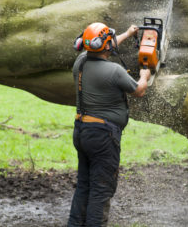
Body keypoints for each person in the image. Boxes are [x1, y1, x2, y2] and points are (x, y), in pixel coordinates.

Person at [68, 22, 151, 227]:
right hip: (103, 137)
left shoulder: (80, 62)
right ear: (106, 46)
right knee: (101, 189)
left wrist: (127, 34)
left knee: (84, 187)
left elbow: (103, 46)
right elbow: (139, 90)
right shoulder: (114, 71)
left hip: (82, 132)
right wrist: (144, 75)